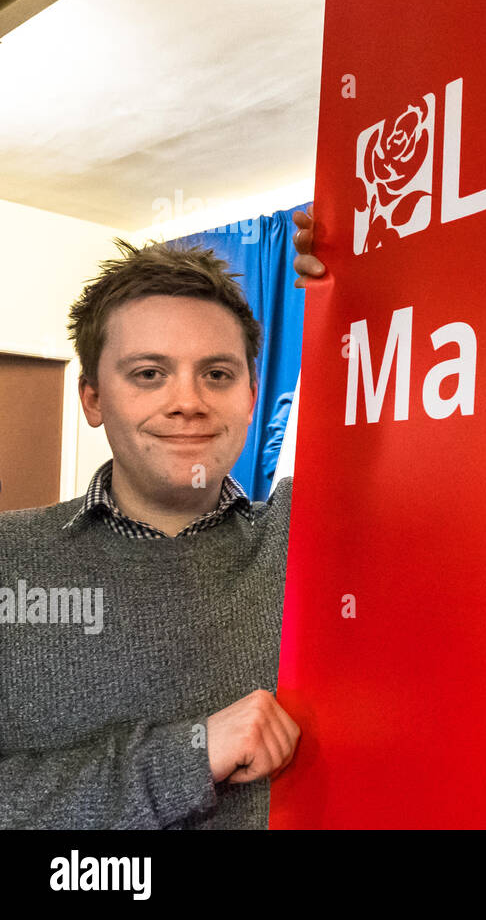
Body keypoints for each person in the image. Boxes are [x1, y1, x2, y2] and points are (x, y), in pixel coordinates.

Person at [0, 237, 303, 829]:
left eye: (216, 373)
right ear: (93, 398)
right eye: (149, 374)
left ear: (249, 396)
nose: (187, 402)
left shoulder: (313, 543)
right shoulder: (9, 560)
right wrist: (186, 758)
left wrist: (378, 276)